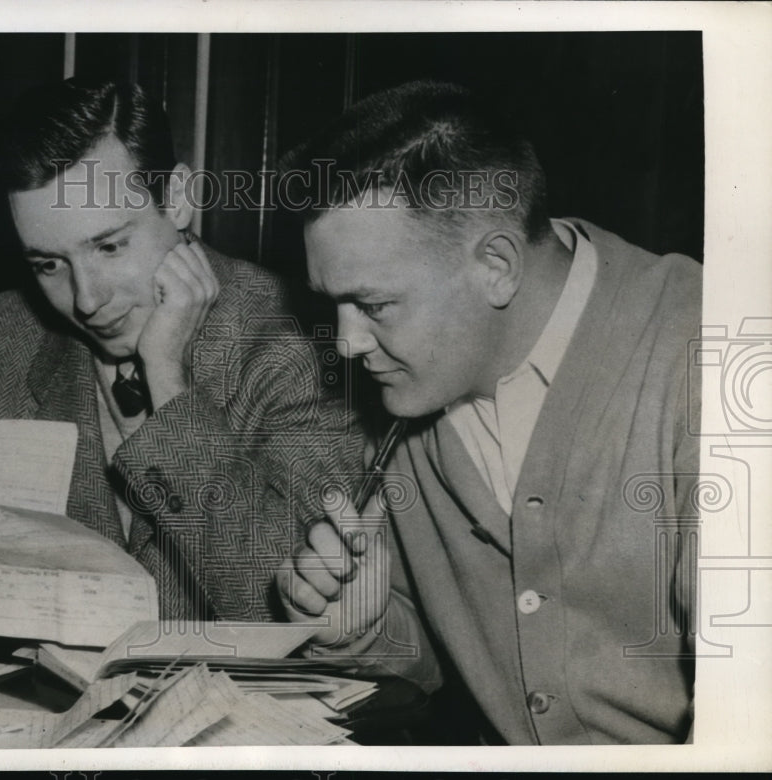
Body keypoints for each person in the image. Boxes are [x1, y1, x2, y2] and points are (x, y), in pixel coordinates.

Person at [0, 79, 361, 623]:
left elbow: (288, 606)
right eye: (48, 264)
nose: (87, 299)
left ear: (178, 200)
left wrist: (168, 382)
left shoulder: (303, 343)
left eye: (110, 245)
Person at [276, 80, 701, 744]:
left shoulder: (709, 355)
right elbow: (436, 662)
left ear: (496, 264)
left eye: (375, 305)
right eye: (333, 303)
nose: (347, 342)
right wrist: (361, 627)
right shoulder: (409, 396)